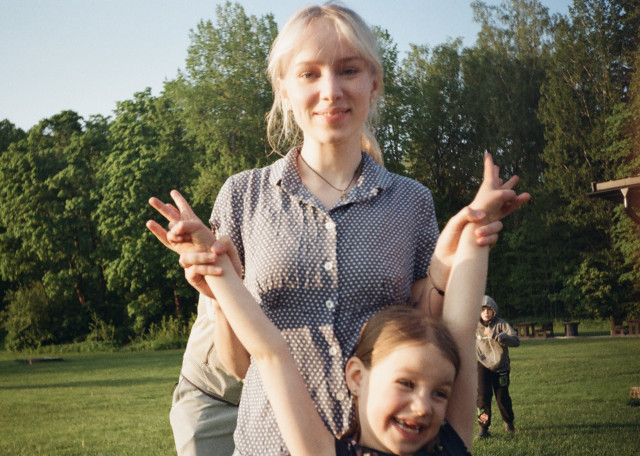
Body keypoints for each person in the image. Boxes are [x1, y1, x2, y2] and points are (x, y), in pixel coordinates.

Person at [147, 3, 529, 455]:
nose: (330, 90)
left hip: (384, 442)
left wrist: (450, 264)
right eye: (309, 74)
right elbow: (240, 365)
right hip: (269, 442)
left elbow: (427, 329)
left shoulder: (410, 201)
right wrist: (218, 287)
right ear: (284, 88)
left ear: (374, 83)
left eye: (348, 70)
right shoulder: (242, 196)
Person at [148, 185, 491, 455]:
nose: (423, 407)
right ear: (357, 377)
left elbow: (461, 332)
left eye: (439, 393)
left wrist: (476, 231)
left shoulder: (448, 444)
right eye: (405, 384)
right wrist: (219, 268)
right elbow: (270, 353)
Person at [475, 295, 520, 438]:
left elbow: (516, 341)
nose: (486, 312)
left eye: (489, 309)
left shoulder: (501, 324)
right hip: (482, 366)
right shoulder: (474, 326)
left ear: (494, 310)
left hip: (501, 367)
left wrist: (498, 336)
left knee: (502, 398)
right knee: (482, 397)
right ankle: (484, 429)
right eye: (483, 310)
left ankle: (509, 422)